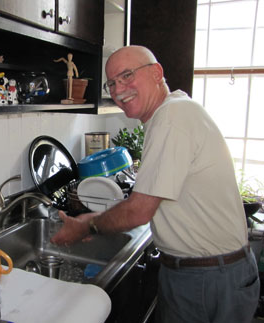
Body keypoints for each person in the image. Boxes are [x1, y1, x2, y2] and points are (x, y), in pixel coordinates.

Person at [51, 45, 260, 323]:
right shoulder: (175, 111)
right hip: (212, 274)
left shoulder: (171, 117)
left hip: (207, 280)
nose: (118, 89)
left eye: (127, 75)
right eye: (112, 82)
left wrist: (85, 225)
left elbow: (139, 210)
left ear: (157, 72)